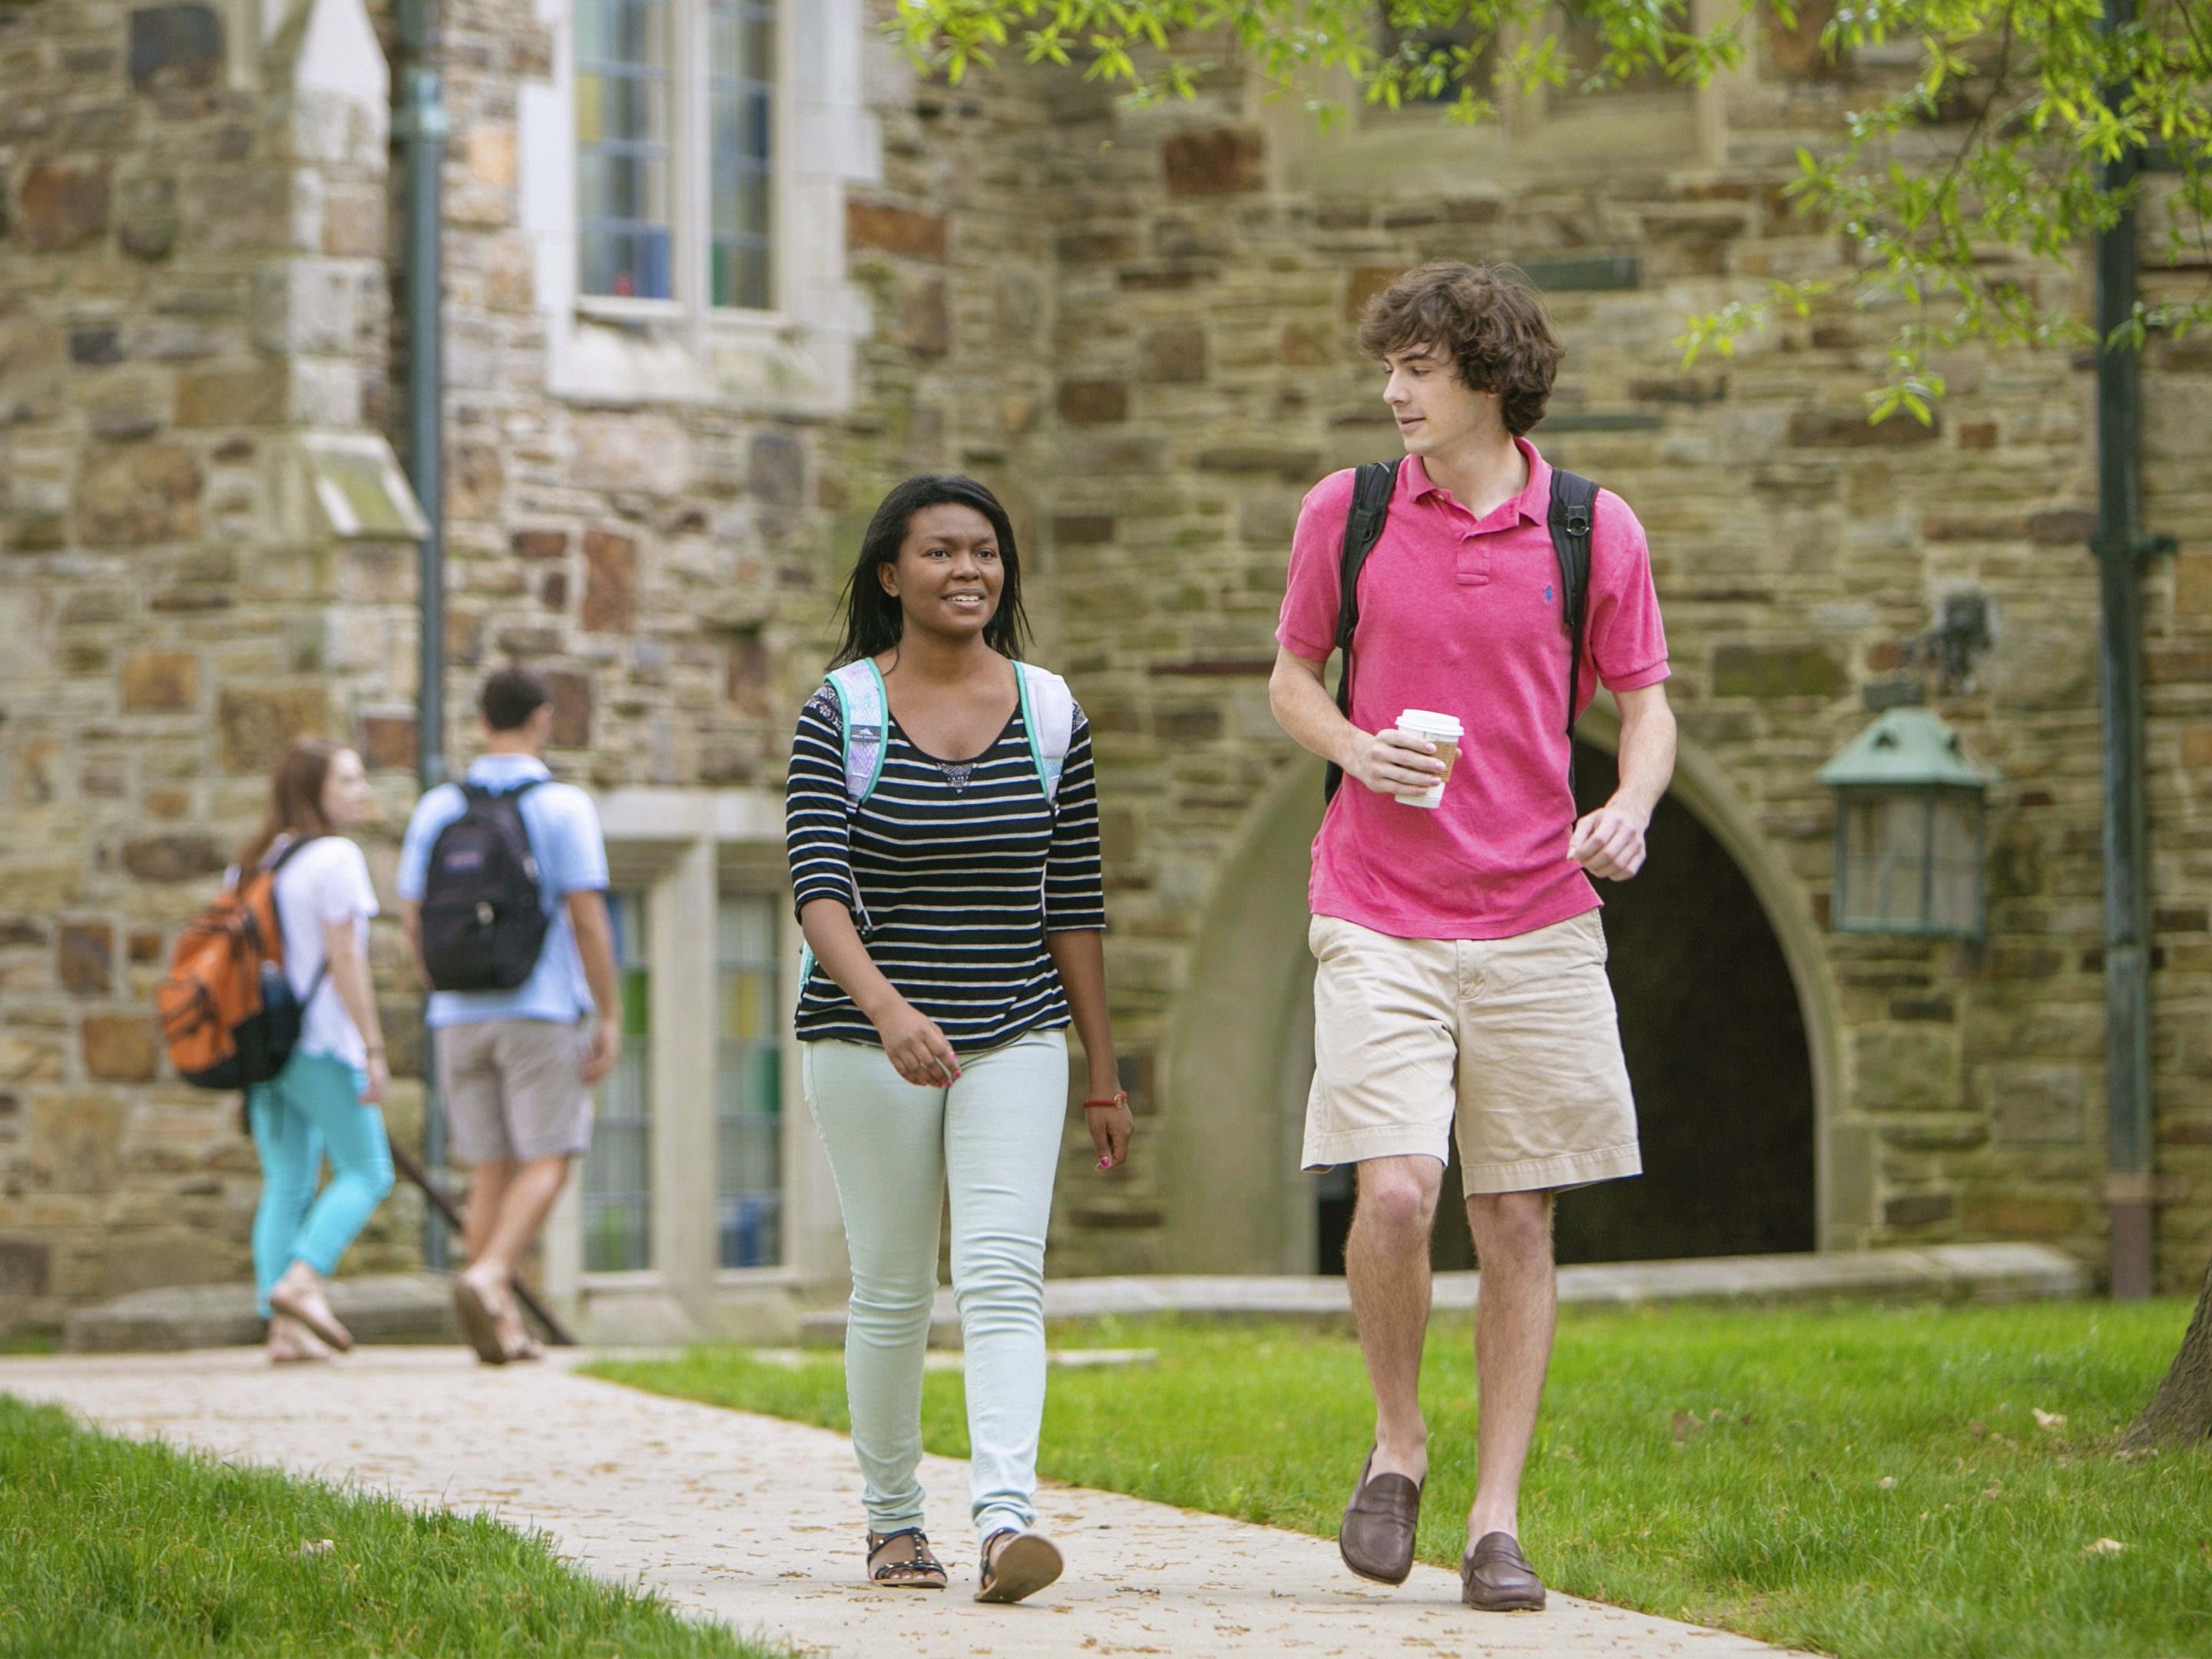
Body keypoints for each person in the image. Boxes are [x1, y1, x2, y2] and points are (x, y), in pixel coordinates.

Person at [1269, 263, 1676, 1611]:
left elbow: (1646, 699)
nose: (1393, 392)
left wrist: (1630, 801)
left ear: (1491, 376)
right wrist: (1354, 750)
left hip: (1537, 916)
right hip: (1376, 902)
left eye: (1420, 368)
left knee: (1515, 1215)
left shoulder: (1590, 526)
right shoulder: (1352, 510)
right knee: (1394, 1191)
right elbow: (1292, 678)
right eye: (1389, 368)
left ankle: (1495, 1523)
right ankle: (1398, 1445)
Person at [786, 475, 1132, 1605]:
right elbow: (818, 889)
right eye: (939, 552)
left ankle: (1004, 1523)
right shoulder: (840, 710)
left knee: (1000, 1274)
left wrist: (1104, 1076)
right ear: (891, 574)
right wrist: (890, 1014)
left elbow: (1073, 901)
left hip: (1016, 1031)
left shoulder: (1050, 711)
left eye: (984, 552)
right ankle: (894, 1524)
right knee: (892, 1286)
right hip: (865, 1032)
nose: (968, 571)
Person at [396, 665, 621, 1365]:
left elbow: (411, 916)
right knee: (549, 1157)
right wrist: (608, 1012)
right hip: (540, 1007)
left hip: (457, 1014)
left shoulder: (437, 806)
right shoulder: (562, 806)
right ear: (543, 718)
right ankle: (490, 1276)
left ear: (480, 720)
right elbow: (587, 919)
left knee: (489, 1166)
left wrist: (442, 987)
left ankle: (503, 1323)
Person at [240, 737, 396, 1365]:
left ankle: (283, 1331)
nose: (361, 792)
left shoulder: (258, 860)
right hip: (322, 1043)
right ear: (314, 791)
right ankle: (302, 1282)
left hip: (263, 1049)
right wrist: (373, 1046)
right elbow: (345, 958)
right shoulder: (336, 857)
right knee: (368, 1170)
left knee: (285, 1184)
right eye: (348, 781)